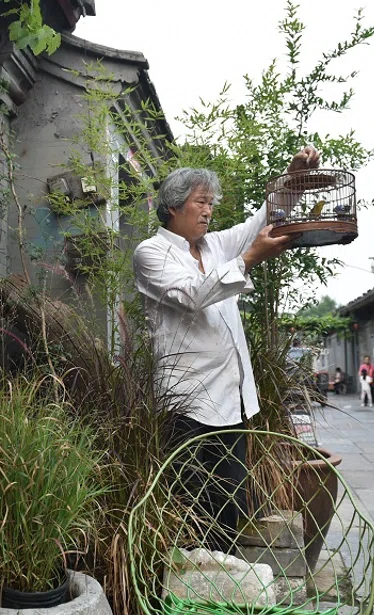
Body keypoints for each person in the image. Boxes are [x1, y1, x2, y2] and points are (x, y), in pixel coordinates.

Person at [133, 146, 320, 553]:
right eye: (201, 202)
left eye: (211, 204)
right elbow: (192, 295)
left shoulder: (215, 246)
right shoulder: (151, 253)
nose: (208, 211)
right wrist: (250, 259)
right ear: (173, 206)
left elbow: (262, 220)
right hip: (187, 403)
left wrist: (294, 177)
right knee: (191, 505)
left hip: (232, 400)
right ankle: (192, 579)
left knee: (230, 503)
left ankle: (224, 575)